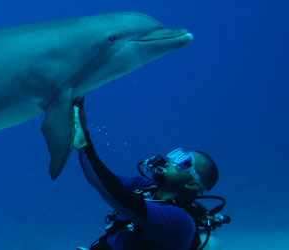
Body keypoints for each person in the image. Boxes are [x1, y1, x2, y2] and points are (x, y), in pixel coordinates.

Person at [70, 99, 229, 250]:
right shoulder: (146, 188)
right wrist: (84, 130)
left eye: (183, 161)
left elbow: (114, 194)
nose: (170, 160)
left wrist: (84, 144)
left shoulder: (179, 220)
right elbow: (104, 178)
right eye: (176, 154)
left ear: (192, 184)